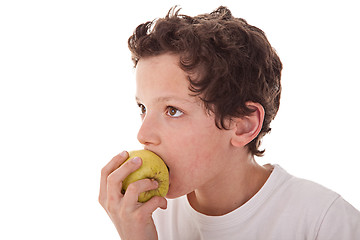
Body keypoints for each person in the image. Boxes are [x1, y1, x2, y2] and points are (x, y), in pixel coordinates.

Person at [99, 6, 360, 240]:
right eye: (143, 108)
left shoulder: (324, 223)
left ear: (243, 125)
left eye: (172, 110)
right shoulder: (146, 217)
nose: (143, 134)